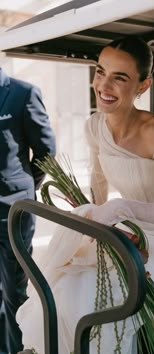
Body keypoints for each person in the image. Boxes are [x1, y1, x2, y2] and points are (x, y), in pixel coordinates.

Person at [16, 36, 154, 354]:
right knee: (65, 281)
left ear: (143, 86)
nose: (104, 85)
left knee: (98, 298)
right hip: (133, 233)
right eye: (100, 72)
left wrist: (124, 207)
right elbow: (99, 181)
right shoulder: (94, 126)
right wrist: (101, 227)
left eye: (120, 78)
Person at [0, 67, 56, 354]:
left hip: (13, 212)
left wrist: (22, 189)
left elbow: (46, 152)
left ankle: (16, 350)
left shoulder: (23, 93)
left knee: (15, 291)